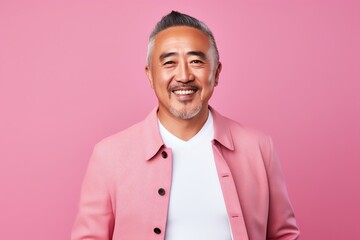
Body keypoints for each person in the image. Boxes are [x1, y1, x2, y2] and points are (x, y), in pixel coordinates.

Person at [71, 11, 300, 240]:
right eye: (169, 62)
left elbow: (285, 236)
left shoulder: (258, 147)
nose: (183, 75)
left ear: (216, 72)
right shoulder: (109, 155)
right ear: (150, 75)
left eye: (196, 61)